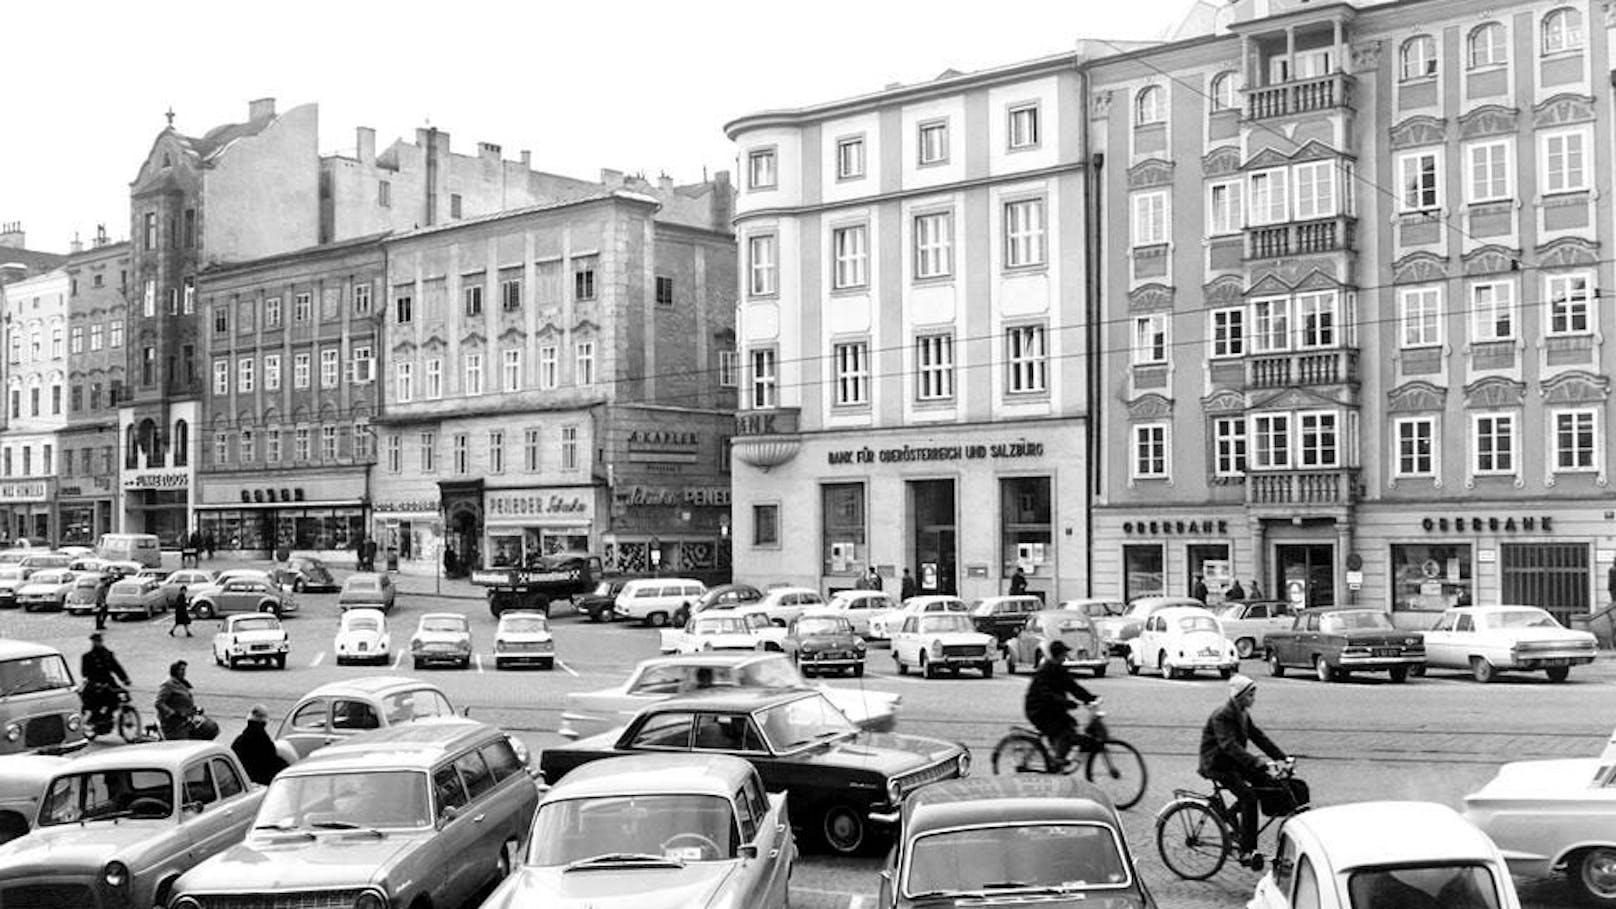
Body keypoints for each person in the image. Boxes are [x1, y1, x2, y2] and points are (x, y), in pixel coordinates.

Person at [1199, 674, 1289, 867]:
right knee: (1249, 797)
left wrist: (1281, 757)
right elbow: (1228, 745)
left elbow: (1258, 737)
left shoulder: (1242, 712)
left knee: (1264, 782)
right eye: (1250, 695)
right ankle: (1247, 851)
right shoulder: (1223, 715)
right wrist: (1257, 762)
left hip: (1232, 761)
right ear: (1239, 696)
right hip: (1217, 764)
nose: (1253, 699)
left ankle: (1232, 814)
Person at [1023, 640, 1098, 771]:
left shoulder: (1059, 669)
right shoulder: (1045, 670)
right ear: (1058, 655)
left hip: (1051, 709)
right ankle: (1058, 760)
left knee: (1069, 725)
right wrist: (1066, 703)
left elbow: (1073, 687)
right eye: (1064, 654)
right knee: (1064, 729)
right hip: (1038, 710)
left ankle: (1058, 756)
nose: (1065, 657)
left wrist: (1089, 698)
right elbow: (1046, 694)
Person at [80, 633, 131, 728]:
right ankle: (96, 719)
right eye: (96, 641)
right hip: (95, 683)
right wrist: (95, 682)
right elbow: (84, 673)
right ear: (93, 642)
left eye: (99, 641)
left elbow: (116, 667)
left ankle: (109, 716)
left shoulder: (108, 654)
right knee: (98, 701)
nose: (98, 643)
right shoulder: (87, 657)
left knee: (119, 695)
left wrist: (125, 679)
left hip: (109, 682)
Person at [231, 705, 289, 785]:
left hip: (244, 783)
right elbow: (272, 761)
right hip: (262, 784)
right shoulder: (265, 743)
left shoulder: (238, 742)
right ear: (264, 722)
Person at [155, 660, 198, 740]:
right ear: (175, 670)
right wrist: (172, 713)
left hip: (184, 721)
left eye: (184, 670)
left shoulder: (182, 683)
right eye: (181, 670)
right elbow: (159, 702)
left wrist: (193, 709)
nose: (184, 673)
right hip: (173, 724)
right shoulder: (168, 684)